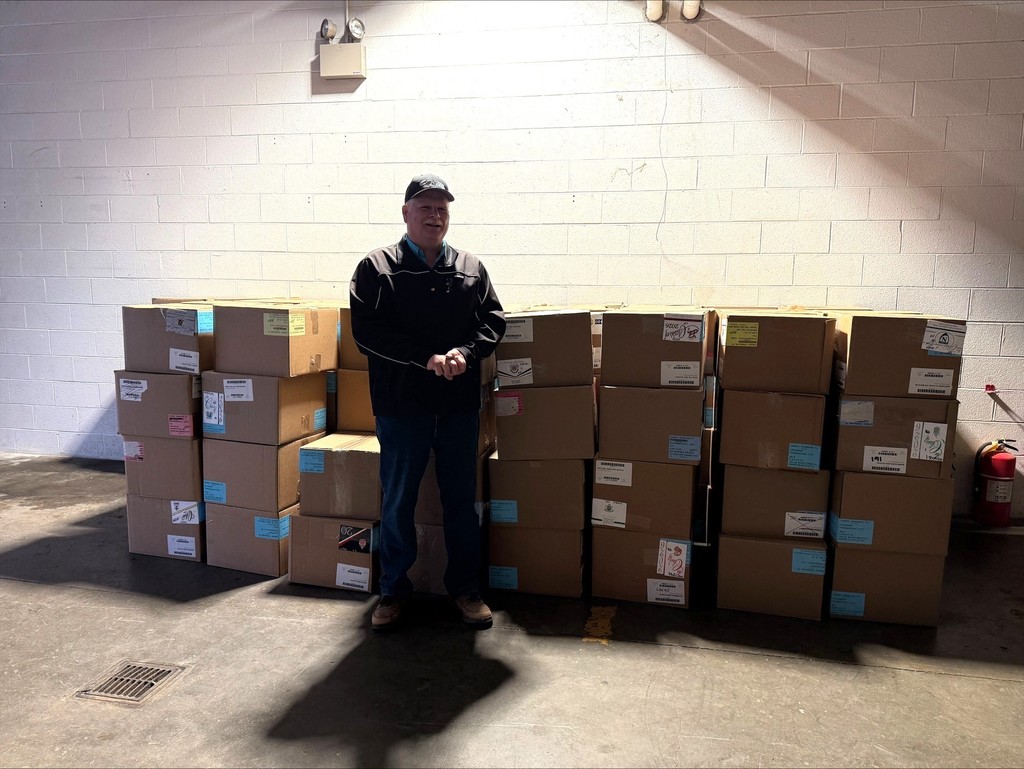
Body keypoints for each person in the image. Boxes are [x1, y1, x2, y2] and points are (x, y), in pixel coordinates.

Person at [349, 173, 506, 632]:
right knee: (398, 502)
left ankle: (465, 589)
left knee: (461, 501)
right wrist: (425, 358)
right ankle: (393, 591)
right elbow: (367, 333)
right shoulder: (376, 269)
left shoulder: (471, 267)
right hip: (403, 408)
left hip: (458, 407)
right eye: (425, 208)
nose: (435, 217)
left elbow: (493, 321)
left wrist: (465, 352)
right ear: (406, 213)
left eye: (442, 209)